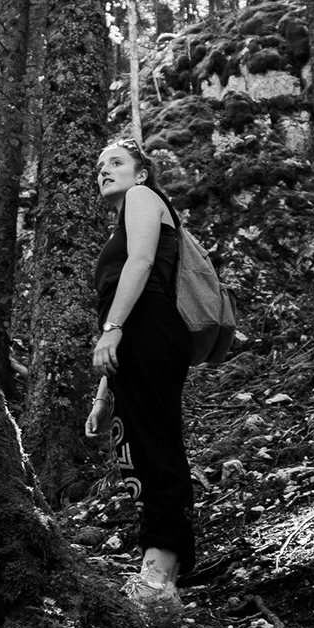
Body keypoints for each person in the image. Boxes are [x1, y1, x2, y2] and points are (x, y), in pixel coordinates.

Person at [86, 137, 195, 602]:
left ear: (141, 173)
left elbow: (144, 263)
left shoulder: (142, 197)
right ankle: (161, 563)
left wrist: (111, 328)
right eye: (99, 166)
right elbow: (121, 297)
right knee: (139, 446)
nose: (104, 170)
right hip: (135, 336)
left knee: (155, 442)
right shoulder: (121, 222)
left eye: (116, 162)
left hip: (150, 328)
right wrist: (103, 395)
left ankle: (161, 568)